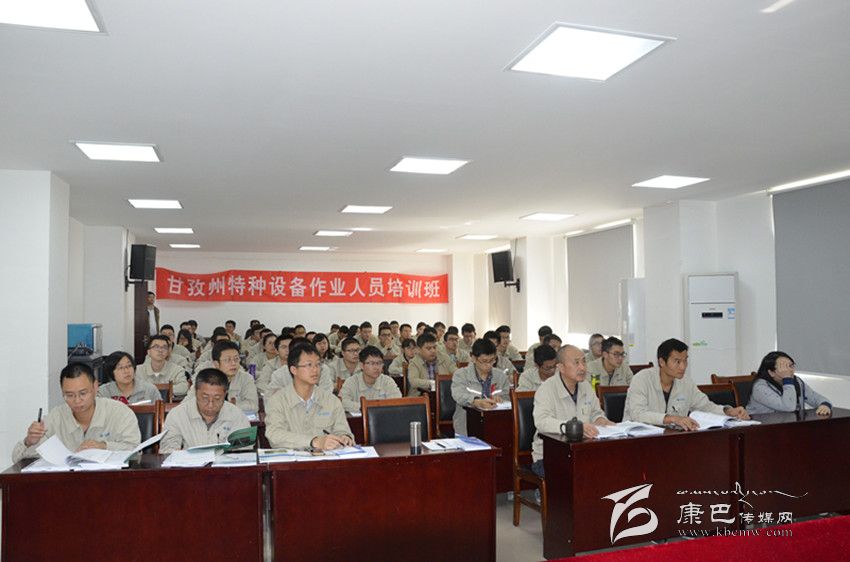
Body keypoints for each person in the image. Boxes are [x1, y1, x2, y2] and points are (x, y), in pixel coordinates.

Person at [12, 363, 141, 463]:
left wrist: (103, 446)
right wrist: (29, 442)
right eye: (69, 395)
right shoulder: (56, 417)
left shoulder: (120, 412)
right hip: (67, 483)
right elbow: (17, 459)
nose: (77, 401)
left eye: (83, 393)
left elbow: (136, 453)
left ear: (95, 387)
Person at [624, 339, 750, 430]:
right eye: (677, 361)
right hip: (637, 440)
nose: (683, 367)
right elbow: (638, 414)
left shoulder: (686, 382)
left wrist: (729, 411)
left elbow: (705, 406)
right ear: (662, 362)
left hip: (671, 439)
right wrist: (673, 419)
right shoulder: (641, 379)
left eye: (685, 361)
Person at [530, 345, 614, 477]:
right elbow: (542, 422)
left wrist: (601, 420)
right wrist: (571, 427)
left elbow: (596, 412)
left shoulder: (586, 386)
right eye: (576, 363)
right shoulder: (546, 389)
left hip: (582, 451)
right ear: (561, 367)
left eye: (584, 362)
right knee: (582, 475)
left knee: (608, 468)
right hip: (549, 456)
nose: (582, 367)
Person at [264, 343, 354, 450]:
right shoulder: (277, 400)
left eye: (318, 364)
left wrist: (345, 437)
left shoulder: (331, 400)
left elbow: (343, 430)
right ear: (293, 370)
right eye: (309, 365)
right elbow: (274, 435)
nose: (315, 370)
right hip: (293, 459)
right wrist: (313, 441)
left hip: (326, 458)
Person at [159, 368, 251, 453]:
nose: (210, 404)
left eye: (217, 398)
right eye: (205, 397)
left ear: (225, 394)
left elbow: (245, 451)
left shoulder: (237, 415)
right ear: (196, 392)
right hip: (190, 465)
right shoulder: (177, 415)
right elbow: (167, 450)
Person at [450, 339, 512, 435]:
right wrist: (475, 401)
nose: (489, 365)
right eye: (484, 361)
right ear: (474, 358)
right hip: (466, 425)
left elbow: (507, 397)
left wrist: (500, 399)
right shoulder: (461, 374)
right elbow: (458, 395)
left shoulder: (501, 376)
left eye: (492, 361)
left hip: (496, 424)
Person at [747, 351, 832, 415]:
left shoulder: (796, 381)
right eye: (783, 367)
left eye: (791, 365)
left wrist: (824, 405)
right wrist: (787, 379)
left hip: (788, 425)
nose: (789, 370)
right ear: (771, 372)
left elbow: (815, 397)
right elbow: (788, 407)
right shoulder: (760, 387)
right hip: (762, 428)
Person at [188, 341, 258, 412]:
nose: (233, 363)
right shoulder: (204, 379)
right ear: (216, 364)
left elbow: (253, 406)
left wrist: (229, 406)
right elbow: (187, 404)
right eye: (227, 360)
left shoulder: (246, 378)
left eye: (236, 359)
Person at [340, 346, 402, 412]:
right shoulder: (351, 381)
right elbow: (343, 402)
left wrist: (370, 407)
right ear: (361, 365)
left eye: (379, 363)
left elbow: (397, 401)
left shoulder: (387, 381)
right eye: (372, 363)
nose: (376, 367)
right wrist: (367, 407)